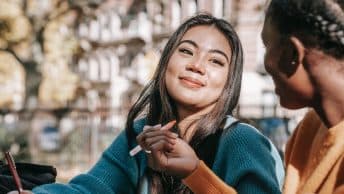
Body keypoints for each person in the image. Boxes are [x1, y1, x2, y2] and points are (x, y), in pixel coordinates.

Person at [18, 14, 283, 194]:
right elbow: (92, 189)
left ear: (229, 80)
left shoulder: (241, 141)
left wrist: (195, 173)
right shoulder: (140, 134)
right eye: (186, 51)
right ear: (166, 62)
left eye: (216, 61)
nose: (197, 65)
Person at [261, 0, 344, 193]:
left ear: (292, 53)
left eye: (266, 45)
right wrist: (196, 173)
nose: (265, 61)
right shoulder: (310, 127)